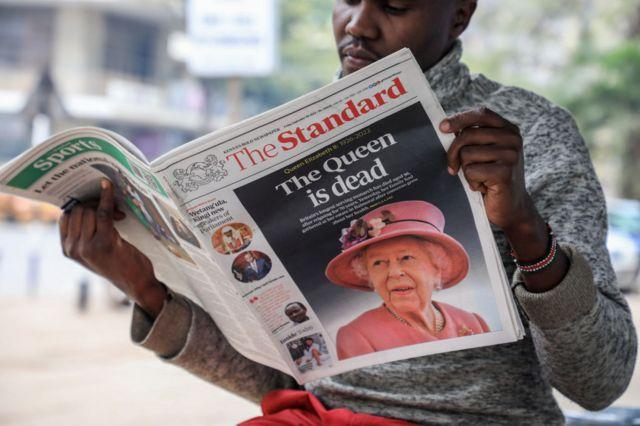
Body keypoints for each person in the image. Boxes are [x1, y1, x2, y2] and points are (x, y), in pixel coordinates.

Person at [58, 0, 637, 424]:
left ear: (460, 14)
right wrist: (145, 290)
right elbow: (281, 379)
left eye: (394, 4)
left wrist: (528, 232)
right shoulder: (278, 142)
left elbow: (598, 382)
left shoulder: (529, 134)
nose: (358, 24)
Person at [326, 201, 490, 360]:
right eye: (378, 263)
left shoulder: (474, 322)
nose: (394, 273)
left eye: (406, 257)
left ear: (436, 268)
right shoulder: (355, 336)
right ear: (369, 278)